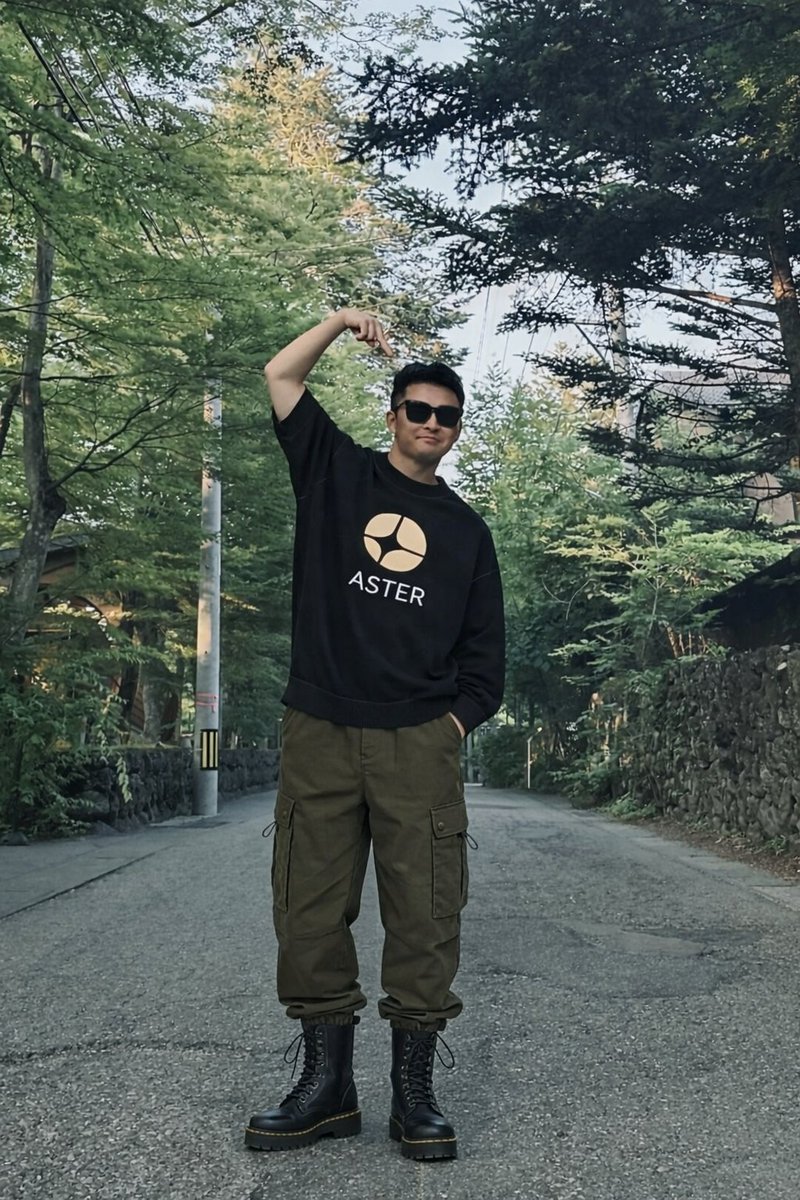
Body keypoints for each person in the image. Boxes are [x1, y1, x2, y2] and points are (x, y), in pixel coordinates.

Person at [244, 308, 505, 1161]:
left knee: (425, 916)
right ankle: (327, 1089)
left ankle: (414, 1097)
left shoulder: (466, 533)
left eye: (447, 416)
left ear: (456, 430)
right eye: (418, 409)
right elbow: (281, 377)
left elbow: (486, 666)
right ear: (392, 415)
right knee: (308, 911)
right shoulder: (335, 473)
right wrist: (338, 320)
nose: (432, 423)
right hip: (320, 727)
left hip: (415, 745)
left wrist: (444, 730)